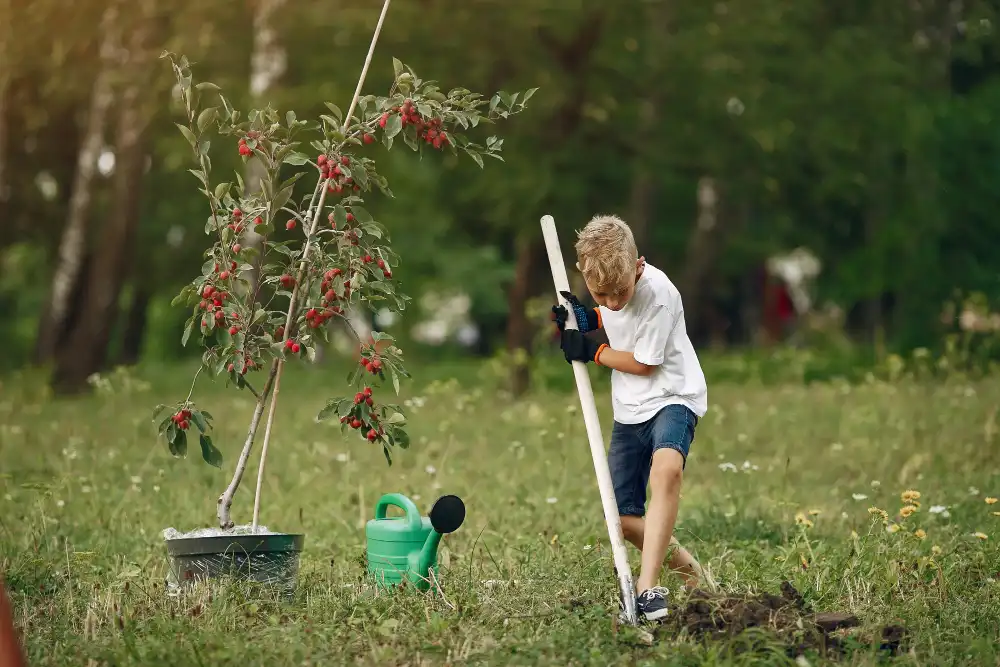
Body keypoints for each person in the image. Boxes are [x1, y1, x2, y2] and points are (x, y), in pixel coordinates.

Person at [551, 214, 707, 622]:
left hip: (673, 395)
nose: (614, 301)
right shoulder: (612, 294)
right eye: (601, 295)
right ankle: (695, 577)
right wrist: (587, 319)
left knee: (667, 470)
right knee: (621, 519)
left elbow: (643, 364)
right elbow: (617, 316)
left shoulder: (658, 294)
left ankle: (648, 587)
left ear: (637, 268)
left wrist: (592, 351)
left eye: (620, 291)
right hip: (630, 410)